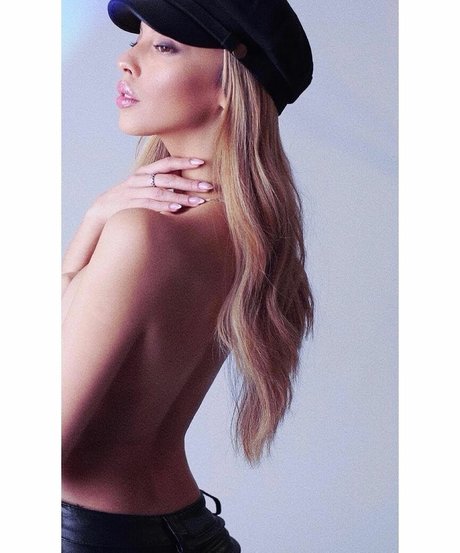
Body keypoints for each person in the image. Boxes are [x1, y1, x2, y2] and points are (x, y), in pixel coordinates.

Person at [61, 1, 314, 551]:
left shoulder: (142, 235)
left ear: (228, 86)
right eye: (136, 39)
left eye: (164, 46)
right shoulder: (255, 240)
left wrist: (80, 250)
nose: (126, 60)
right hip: (191, 530)